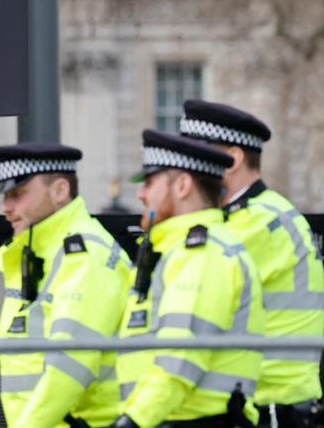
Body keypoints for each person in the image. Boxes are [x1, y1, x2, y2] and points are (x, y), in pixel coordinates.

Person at [180, 99, 324, 427]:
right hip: (260, 403)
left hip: (268, 406)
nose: (183, 171)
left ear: (232, 159)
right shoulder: (254, 214)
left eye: (195, 157)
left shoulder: (259, 222)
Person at [109, 130, 265, 428]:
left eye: (150, 182)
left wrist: (132, 421)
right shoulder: (180, 252)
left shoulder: (202, 254)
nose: (140, 194)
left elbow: (180, 360)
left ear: (182, 186)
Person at [0, 142, 131, 428]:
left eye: (17, 194)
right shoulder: (43, 251)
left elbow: (69, 367)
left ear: (60, 191)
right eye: (5, 196)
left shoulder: (84, 255)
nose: (6, 207)